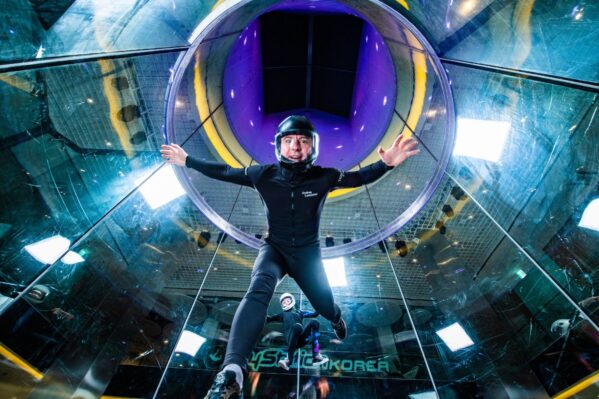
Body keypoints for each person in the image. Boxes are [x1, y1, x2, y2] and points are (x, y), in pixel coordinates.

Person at [161, 115, 419, 399]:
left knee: (325, 305)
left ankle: (335, 318)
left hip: (308, 256)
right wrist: (188, 160)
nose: (295, 146)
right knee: (258, 287)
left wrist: (387, 163)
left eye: (303, 140)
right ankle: (232, 371)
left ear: (313, 147)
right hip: (275, 249)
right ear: (279, 146)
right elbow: (224, 171)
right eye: (288, 141)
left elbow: (359, 177)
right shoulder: (263, 175)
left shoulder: (325, 176)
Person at [266, 292, 329, 371]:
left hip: (301, 339)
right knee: (297, 327)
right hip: (290, 338)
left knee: (314, 322)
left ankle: (316, 356)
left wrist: (321, 304)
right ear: (282, 305)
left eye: (287, 301)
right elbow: (270, 319)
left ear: (292, 301)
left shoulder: (300, 312)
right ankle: (288, 360)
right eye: (284, 302)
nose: (286, 303)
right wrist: (263, 316)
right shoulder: (282, 314)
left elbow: (314, 314)